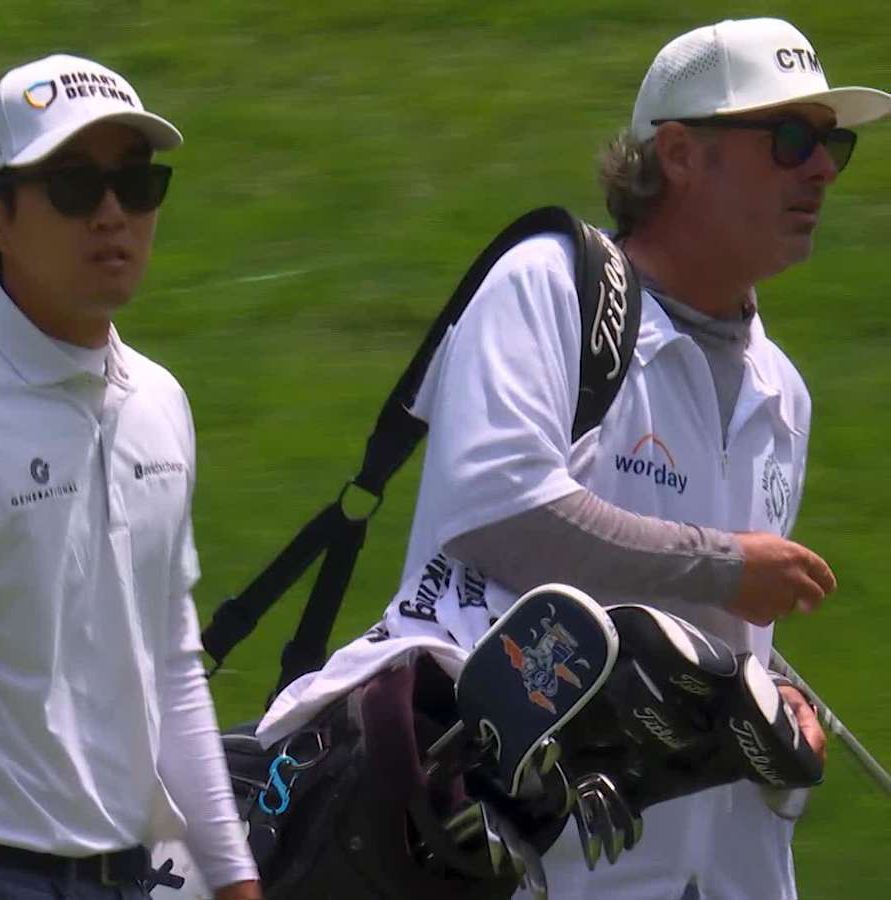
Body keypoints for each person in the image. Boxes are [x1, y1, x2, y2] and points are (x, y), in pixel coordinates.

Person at [360, 17, 889, 899]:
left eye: (831, 142)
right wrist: (725, 570)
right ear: (679, 154)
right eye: (790, 138)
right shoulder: (547, 287)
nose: (824, 167)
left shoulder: (782, 391)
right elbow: (501, 513)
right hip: (543, 871)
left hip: (729, 874)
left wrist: (774, 707)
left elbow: (712, 631)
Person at [0, 54, 262, 900]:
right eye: (73, 185)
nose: (113, 214)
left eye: (135, 184)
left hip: (135, 880)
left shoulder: (161, 406)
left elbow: (171, 663)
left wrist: (235, 874)